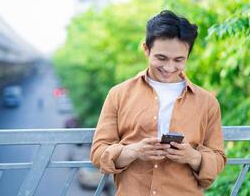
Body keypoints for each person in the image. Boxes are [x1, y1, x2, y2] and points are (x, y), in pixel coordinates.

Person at [90, 10, 226, 196]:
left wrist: (193, 157)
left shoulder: (207, 103)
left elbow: (219, 159)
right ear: (146, 49)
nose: (169, 67)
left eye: (179, 60)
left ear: (188, 55)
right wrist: (134, 151)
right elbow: (98, 153)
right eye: (161, 58)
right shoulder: (118, 94)